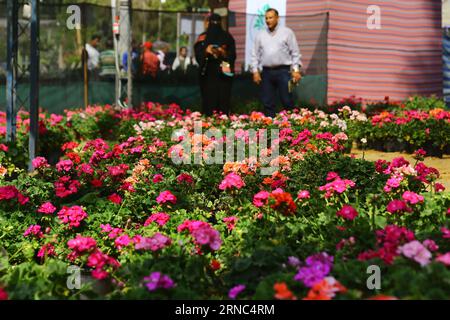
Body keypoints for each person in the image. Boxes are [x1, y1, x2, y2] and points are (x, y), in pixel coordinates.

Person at [251, 8, 303, 118]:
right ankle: (271, 129)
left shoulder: (287, 32)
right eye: (266, 18)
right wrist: (255, 72)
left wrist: (296, 70)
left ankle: (292, 126)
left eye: (270, 17)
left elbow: (295, 53)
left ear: (277, 18)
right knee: (267, 102)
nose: (268, 20)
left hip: (283, 71)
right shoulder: (260, 35)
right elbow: (254, 54)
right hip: (266, 72)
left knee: (287, 100)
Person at [194, 13, 236, 116]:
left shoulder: (227, 37)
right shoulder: (203, 38)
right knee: (209, 100)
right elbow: (198, 55)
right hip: (208, 72)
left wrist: (223, 52)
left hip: (224, 71)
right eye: (213, 22)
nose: (215, 25)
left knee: (223, 99)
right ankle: (208, 124)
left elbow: (232, 55)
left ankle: (223, 122)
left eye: (217, 22)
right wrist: (206, 51)